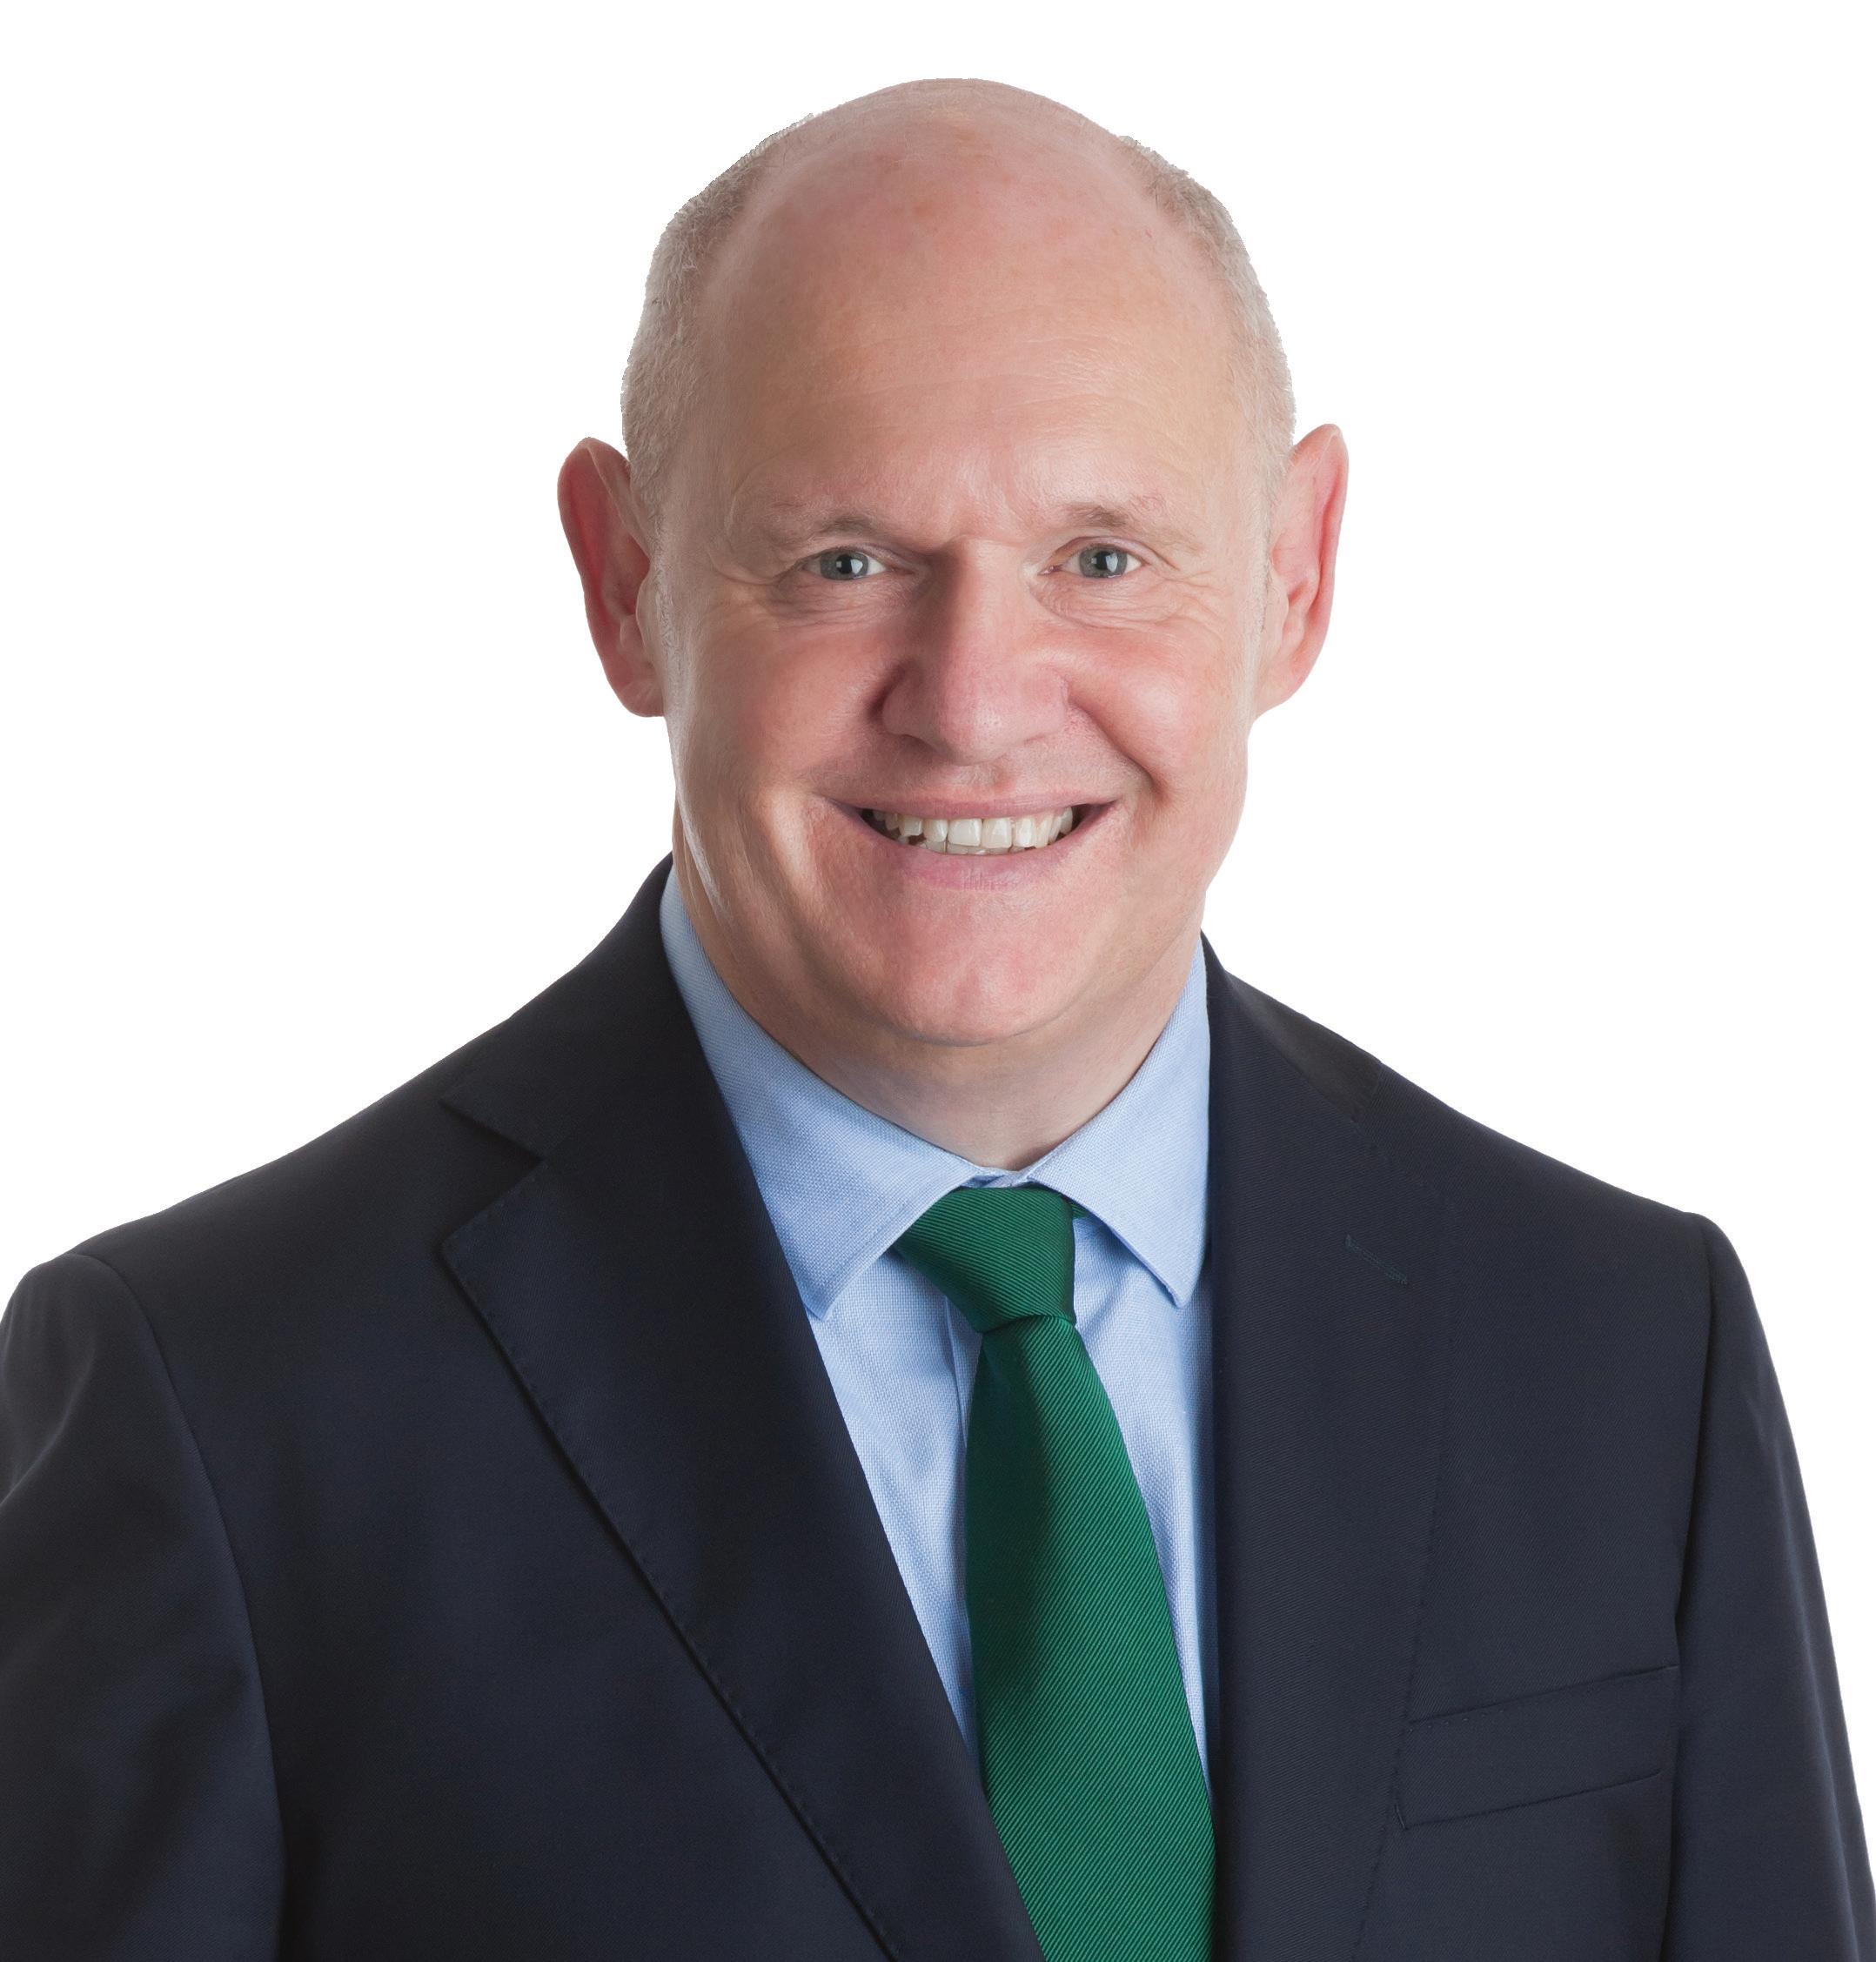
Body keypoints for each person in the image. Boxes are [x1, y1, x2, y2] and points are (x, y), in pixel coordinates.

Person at [1, 72, 1870, 1962]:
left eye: (1102, 558)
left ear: (1296, 576)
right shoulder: (221, 1407)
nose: (974, 704)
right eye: (846, 561)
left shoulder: (1624, 1351)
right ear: (625, 584)